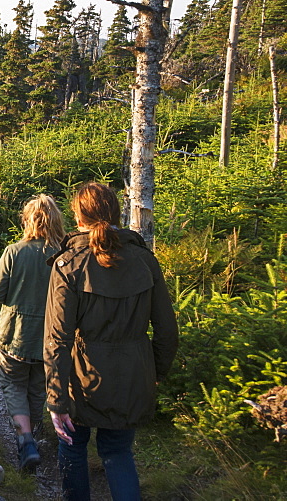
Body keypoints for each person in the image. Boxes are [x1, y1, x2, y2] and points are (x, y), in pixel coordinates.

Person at [44, 182, 179, 501]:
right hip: (132, 376)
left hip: (83, 379)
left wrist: (55, 399)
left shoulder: (68, 263)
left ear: (77, 217)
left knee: (73, 449)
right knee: (118, 454)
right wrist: (155, 374)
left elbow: (56, 339)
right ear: (117, 213)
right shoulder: (145, 260)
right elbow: (167, 331)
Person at [0, 194, 66, 471]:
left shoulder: (14, 252)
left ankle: (26, 440)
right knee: (37, 386)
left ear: (27, 221)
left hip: (15, 334)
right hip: (51, 337)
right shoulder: (65, 254)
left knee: (12, 383)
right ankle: (39, 435)